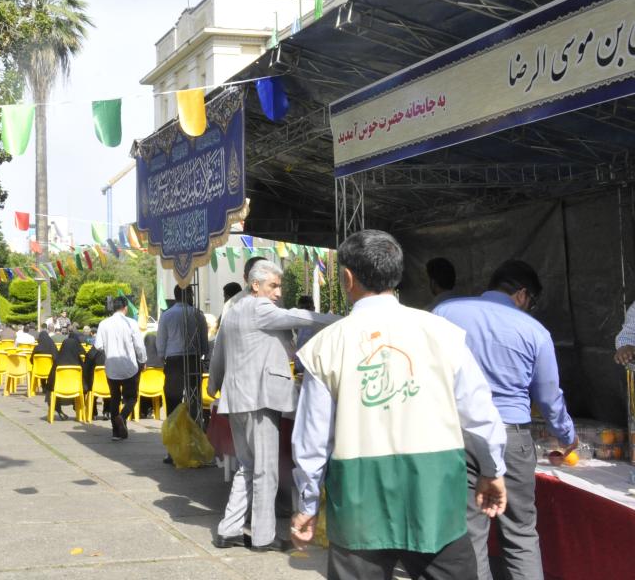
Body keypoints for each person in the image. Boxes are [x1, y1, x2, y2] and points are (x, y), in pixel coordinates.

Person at [290, 230, 508, 579]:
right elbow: (479, 415)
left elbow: (312, 442)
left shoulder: (325, 346)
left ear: (347, 278)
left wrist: (307, 504)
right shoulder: (443, 334)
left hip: (359, 498)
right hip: (434, 492)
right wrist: (491, 471)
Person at [434, 260, 576, 580]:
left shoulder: (446, 312)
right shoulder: (535, 331)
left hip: (456, 434)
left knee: (470, 534)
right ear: (522, 294)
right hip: (512, 439)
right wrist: (567, 437)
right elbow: (550, 398)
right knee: (521, 533)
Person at [207, 259, 336, 552]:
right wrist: (342, 319)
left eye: (279, 286)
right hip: (259, 398)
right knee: (265, 470)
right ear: (256, 285)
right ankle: (263, 537)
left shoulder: (233, 310)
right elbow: (301, 318)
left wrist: (214, 386)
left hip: (237, 399)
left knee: (247, 468)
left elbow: (219, 355)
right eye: (273, 286)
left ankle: (229, 529)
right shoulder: (259, 307)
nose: (278, 292)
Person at [156, 284, 209, 429]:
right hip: (193, 358)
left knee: (173, 399)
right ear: (190, 294)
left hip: (173, 361)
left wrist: (163, 359)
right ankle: (194, 430)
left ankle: (174, 433)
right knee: (194, 398)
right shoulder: (197, 314)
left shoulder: (166, 315)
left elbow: (160, 342)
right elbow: (204, 342)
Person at [95, 298, 147, 440]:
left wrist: (109, 347)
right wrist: (143, 361)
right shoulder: (131, 323)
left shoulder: (103, 324)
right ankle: (122, 416)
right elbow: (139, 346)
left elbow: (98, 345)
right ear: (125, 308)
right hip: (129, 367)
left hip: (111, 367)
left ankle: (115, 432)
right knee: (132, 398)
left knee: (114, 399)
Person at [49, 331, 87, 420]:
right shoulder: (78, 362)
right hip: (76, 389)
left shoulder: (58, 361)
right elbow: (84, 375)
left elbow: (51, 378)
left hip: (59, 389)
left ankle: (57, 409)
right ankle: (79, 411)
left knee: (51, 385)